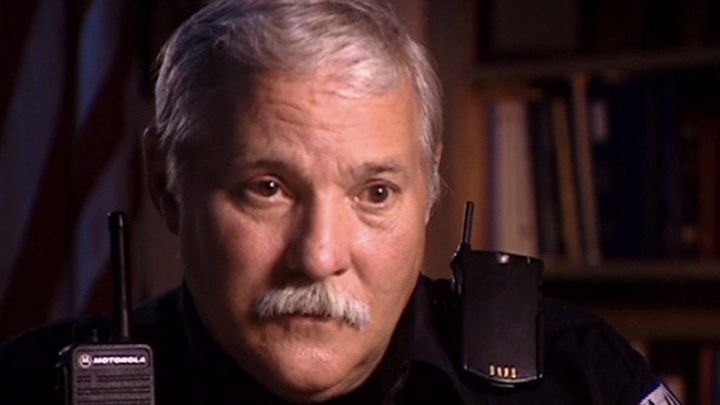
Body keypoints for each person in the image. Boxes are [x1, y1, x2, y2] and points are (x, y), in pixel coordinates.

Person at [0, 0, 679, 404]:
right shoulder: (30, 387)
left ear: (430, 188)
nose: (319, 255)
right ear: (165, 183)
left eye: (375, 193)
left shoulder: (581, 379)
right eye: (268, 188)